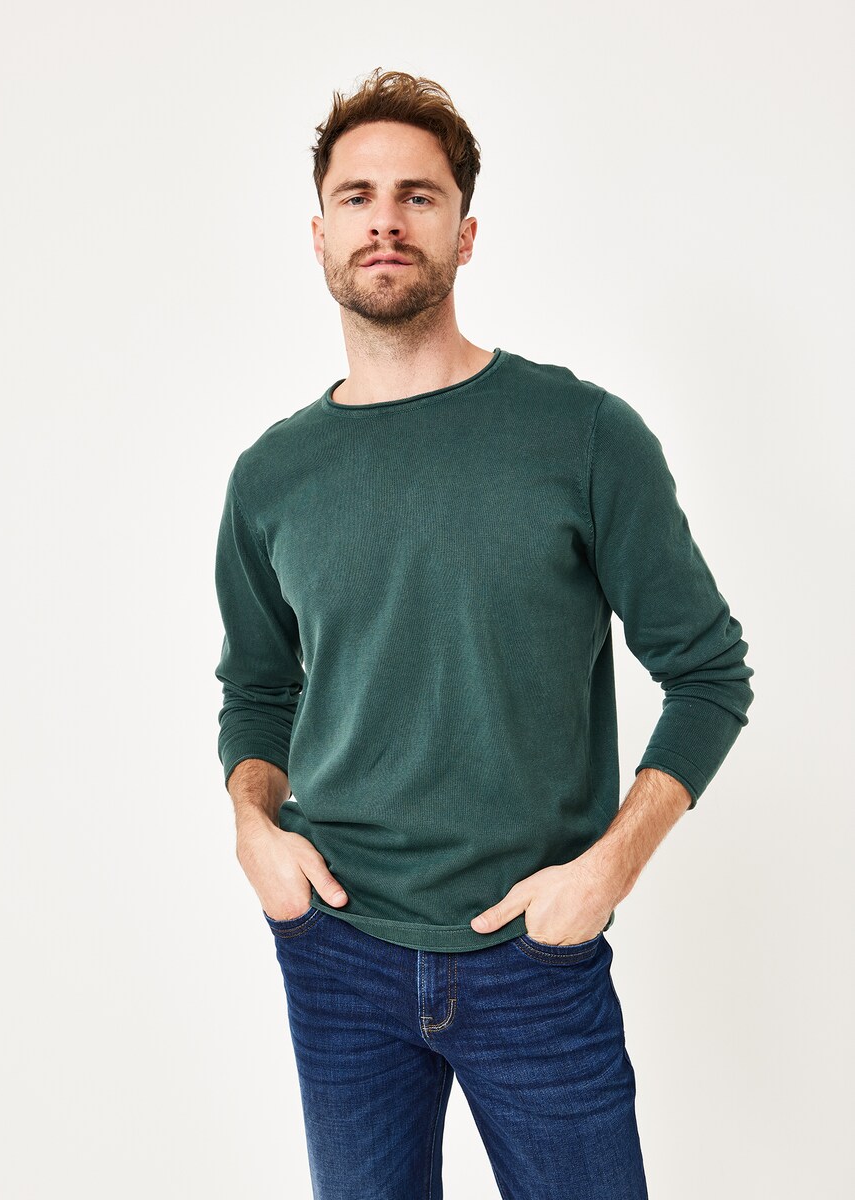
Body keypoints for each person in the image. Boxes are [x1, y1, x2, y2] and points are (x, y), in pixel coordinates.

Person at [213, 68, 754, 1200]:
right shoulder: (271, 477)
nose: (386, 221)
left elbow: (708, 673)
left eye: (417, 196)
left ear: (465, 231)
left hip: (533, 956)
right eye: (357, 197)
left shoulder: (583, 434)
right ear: (319, 236)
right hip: (336, 948)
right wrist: (253, 825)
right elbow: (259, 690)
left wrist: (606, 870)